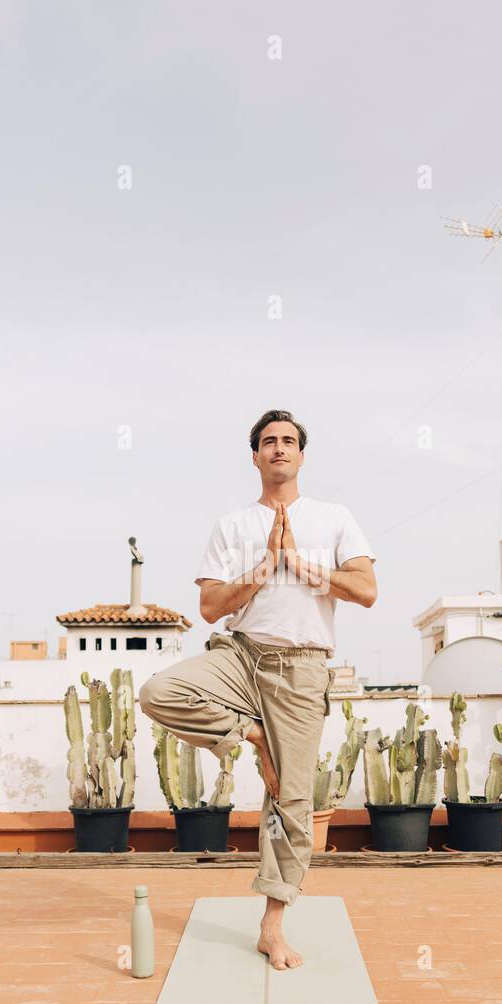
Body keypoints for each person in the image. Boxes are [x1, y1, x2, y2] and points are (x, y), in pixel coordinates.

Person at [139, 409, 377, 969]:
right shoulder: (233, 525)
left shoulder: (333, 517)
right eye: (268, 441)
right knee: (158, 691)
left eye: (288, 441)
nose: (278, 449)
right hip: (242, 655)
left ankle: (272, 926)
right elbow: (208, 609)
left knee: (291, 804)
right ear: (254, 456)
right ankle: (251, 734)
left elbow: (366, 591)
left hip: (301, 670)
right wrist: (266, 567)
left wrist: (300, 563)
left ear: (301, 454)